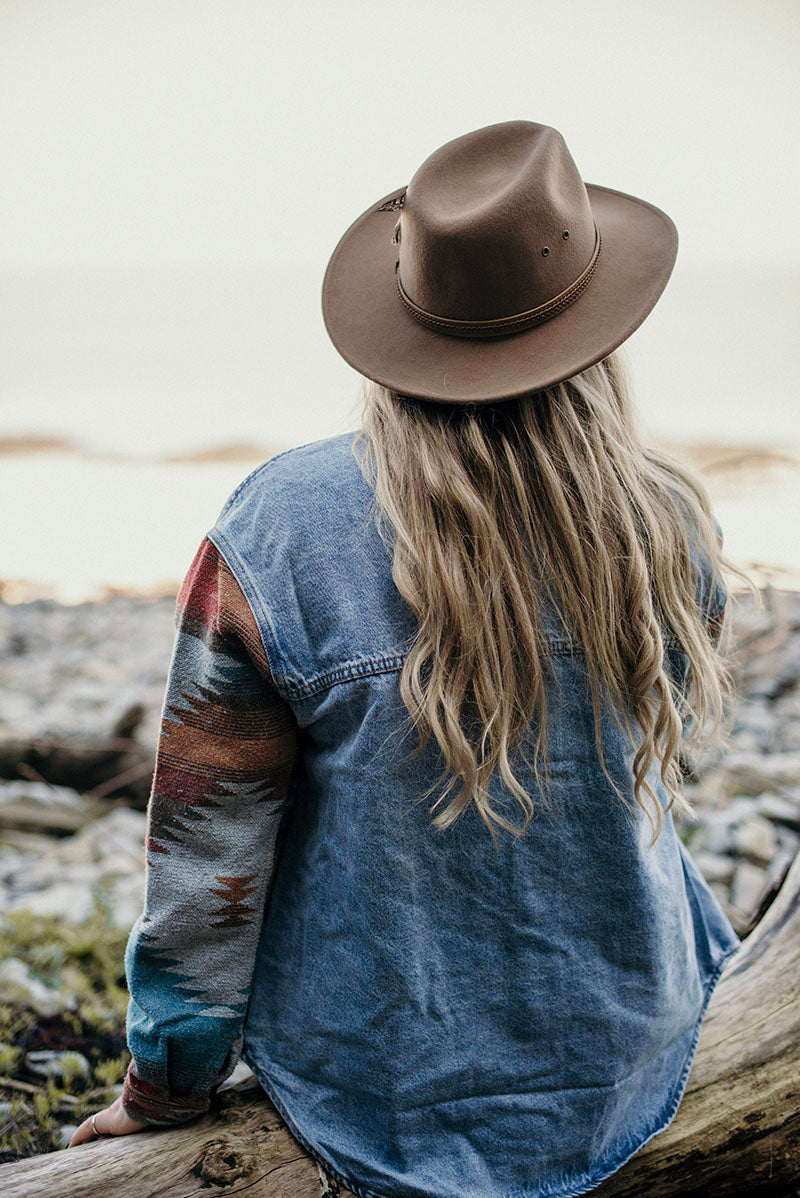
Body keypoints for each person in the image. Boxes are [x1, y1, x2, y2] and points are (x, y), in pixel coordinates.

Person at [69, 120, 742, 1198]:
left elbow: (209, 863)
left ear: (399, 325)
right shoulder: (667, 518)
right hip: (624, 1050)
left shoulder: (279, 525)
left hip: (380, 1083)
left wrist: (165, 1089)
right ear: (596, 324)